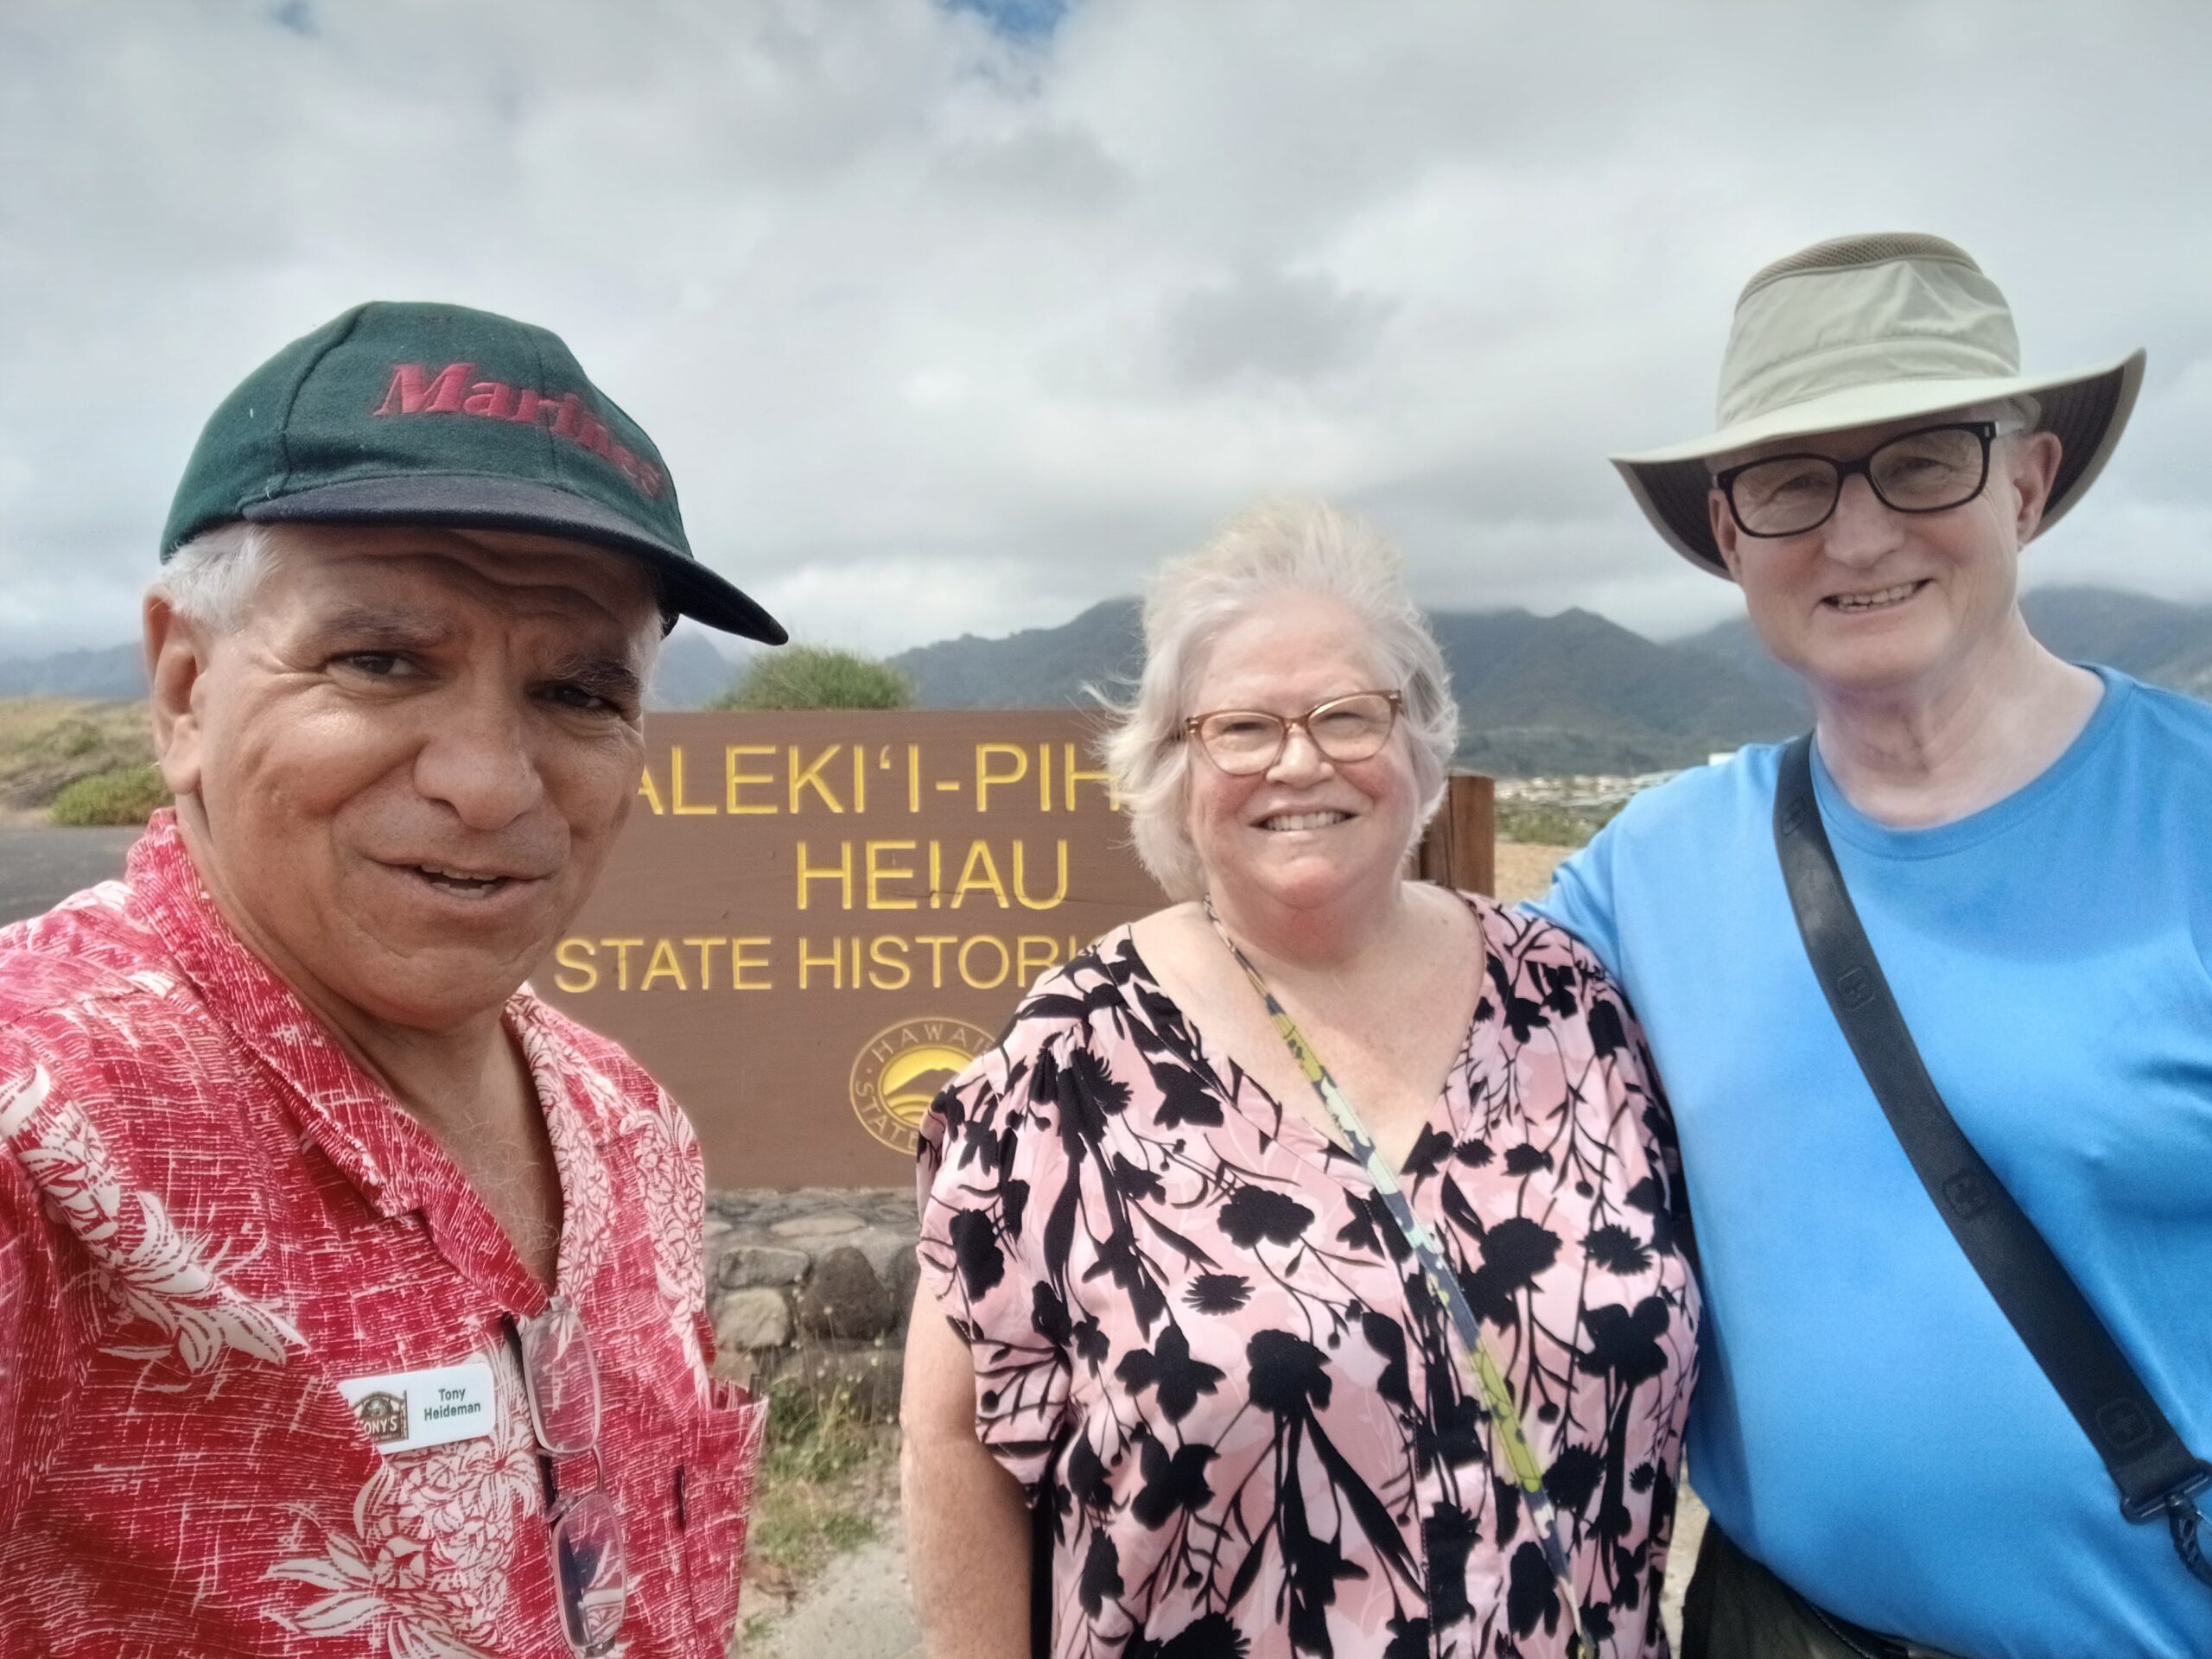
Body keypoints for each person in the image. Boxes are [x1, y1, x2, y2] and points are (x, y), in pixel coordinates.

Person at [0, 302, 786, 1656]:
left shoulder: (627, 1124)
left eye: (579, 694)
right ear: (185, 692)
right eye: (380, 663)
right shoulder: (39, 1139)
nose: (488, 782)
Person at [1537, 232, 2212, 1657]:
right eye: (1791, 483)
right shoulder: (1648, 872)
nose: (1856, 536)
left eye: (1923, 459)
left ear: (2026, 484)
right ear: (1728, 533)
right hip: (1778, 1627)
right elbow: (1376, 1021)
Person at [903, 501, 1699, 1658]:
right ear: (1174, 767)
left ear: (1417, 742)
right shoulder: (1070, 1058)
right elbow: (951, 1439)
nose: (1299, 760)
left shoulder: (1570, 1001)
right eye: (1242, 728)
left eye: (1346, 716)